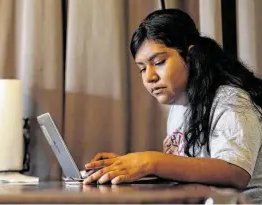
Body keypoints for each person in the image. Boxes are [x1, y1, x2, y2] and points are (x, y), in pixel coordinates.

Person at [83, 8, 262, 202]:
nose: (149, 77)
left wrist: (152, 162)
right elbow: (190, 170)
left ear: (190, 56)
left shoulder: (231, 99)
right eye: (142, 69)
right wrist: (130, 166)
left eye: (159, 62)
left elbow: (236, 173)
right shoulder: (179, 106)